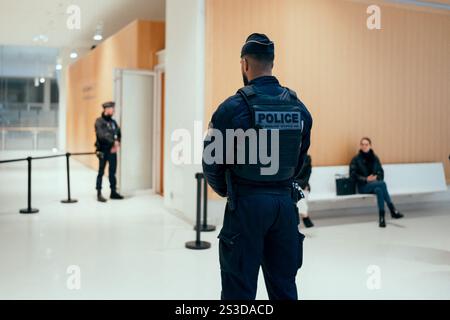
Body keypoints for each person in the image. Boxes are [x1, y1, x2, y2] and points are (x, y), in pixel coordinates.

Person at [203, 33, 313, 300]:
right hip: (285, 206)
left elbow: (211, 162)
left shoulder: (231, 109)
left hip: (247, 206)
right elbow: (300, 159)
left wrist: (229, 191)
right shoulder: (299, 108)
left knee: (238, 290)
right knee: (284, 286)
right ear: (272, 63)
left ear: (244, 64)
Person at [350, 137, 403, 228]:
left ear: (370, 145)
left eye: (366, 144)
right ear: (360, 146)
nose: (364, 146)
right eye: (362, 144)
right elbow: (353, 175)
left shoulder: (375, 158)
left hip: (374, 184)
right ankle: (392, 210)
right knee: (382, 184)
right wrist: (366, 179)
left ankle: (382, 219)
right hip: (363, 186)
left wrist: (376, 178)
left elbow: (381, 172)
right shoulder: (356, 159)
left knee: (379, 189)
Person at [95, 101, 124, 202]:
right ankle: (99, 193)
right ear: (106, 109)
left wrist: (118, 142)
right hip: (103, 150)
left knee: (112, 172)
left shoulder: (113, 122)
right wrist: (113, 143)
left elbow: (118, 133)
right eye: (112, 108)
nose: (114, 110)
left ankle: (113, 192)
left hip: (112, 151)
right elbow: (101, 136)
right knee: (101, 172)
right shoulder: (99, 121)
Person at [295, 155, 314, 228]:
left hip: (303, 185)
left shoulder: (307, 159)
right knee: (298, 193)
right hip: (291, 185)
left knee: (300, 193)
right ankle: (305, 216)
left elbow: (307, 175)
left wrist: (303, 184)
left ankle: (303, 216)